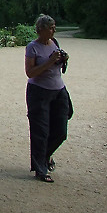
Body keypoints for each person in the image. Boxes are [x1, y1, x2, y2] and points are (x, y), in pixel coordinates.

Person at [25, 14, 71, 183]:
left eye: (54, 27)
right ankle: (40, 169)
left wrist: (63, 59)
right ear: (41, 30)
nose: (54, 30)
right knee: (40, 132)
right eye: (50, 28)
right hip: (39, 92)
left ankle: (45, 156)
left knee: (61, 131)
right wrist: (50, 61)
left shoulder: (55, 43)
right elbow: (30, 73)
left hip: (59, 90)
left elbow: (57, 66)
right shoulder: (33, 47)